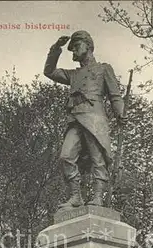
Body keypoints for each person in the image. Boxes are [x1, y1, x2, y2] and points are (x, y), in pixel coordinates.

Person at [44, 31, 125, 208]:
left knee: (98, 159)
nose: (73, 52)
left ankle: (97, 197)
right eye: (71, 49)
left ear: (88, 45)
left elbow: (115, 95)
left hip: (95, 118)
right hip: (75, 119)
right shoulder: (73, 75)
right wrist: (56, 48)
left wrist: (120, 113)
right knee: (66, 156)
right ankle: (76, 197)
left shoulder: (104, 69)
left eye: (76, 47)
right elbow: (49, 71)